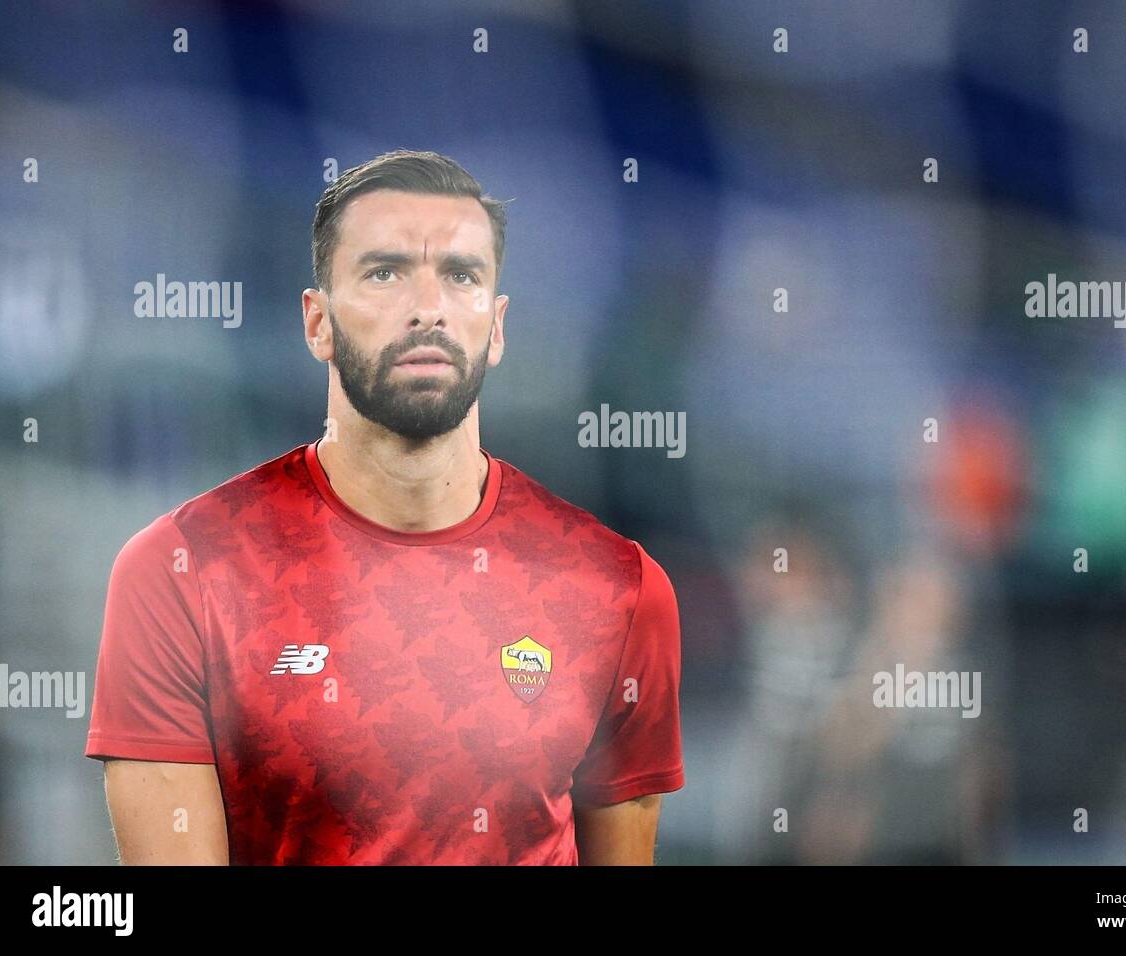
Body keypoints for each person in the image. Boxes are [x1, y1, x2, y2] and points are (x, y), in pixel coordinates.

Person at [84, 149, 685, 865]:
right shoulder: (182, 571)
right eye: (384, 272)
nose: (427, 307)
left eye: (460, 276)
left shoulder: (617, 587)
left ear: (495, 328)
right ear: (318, 323)